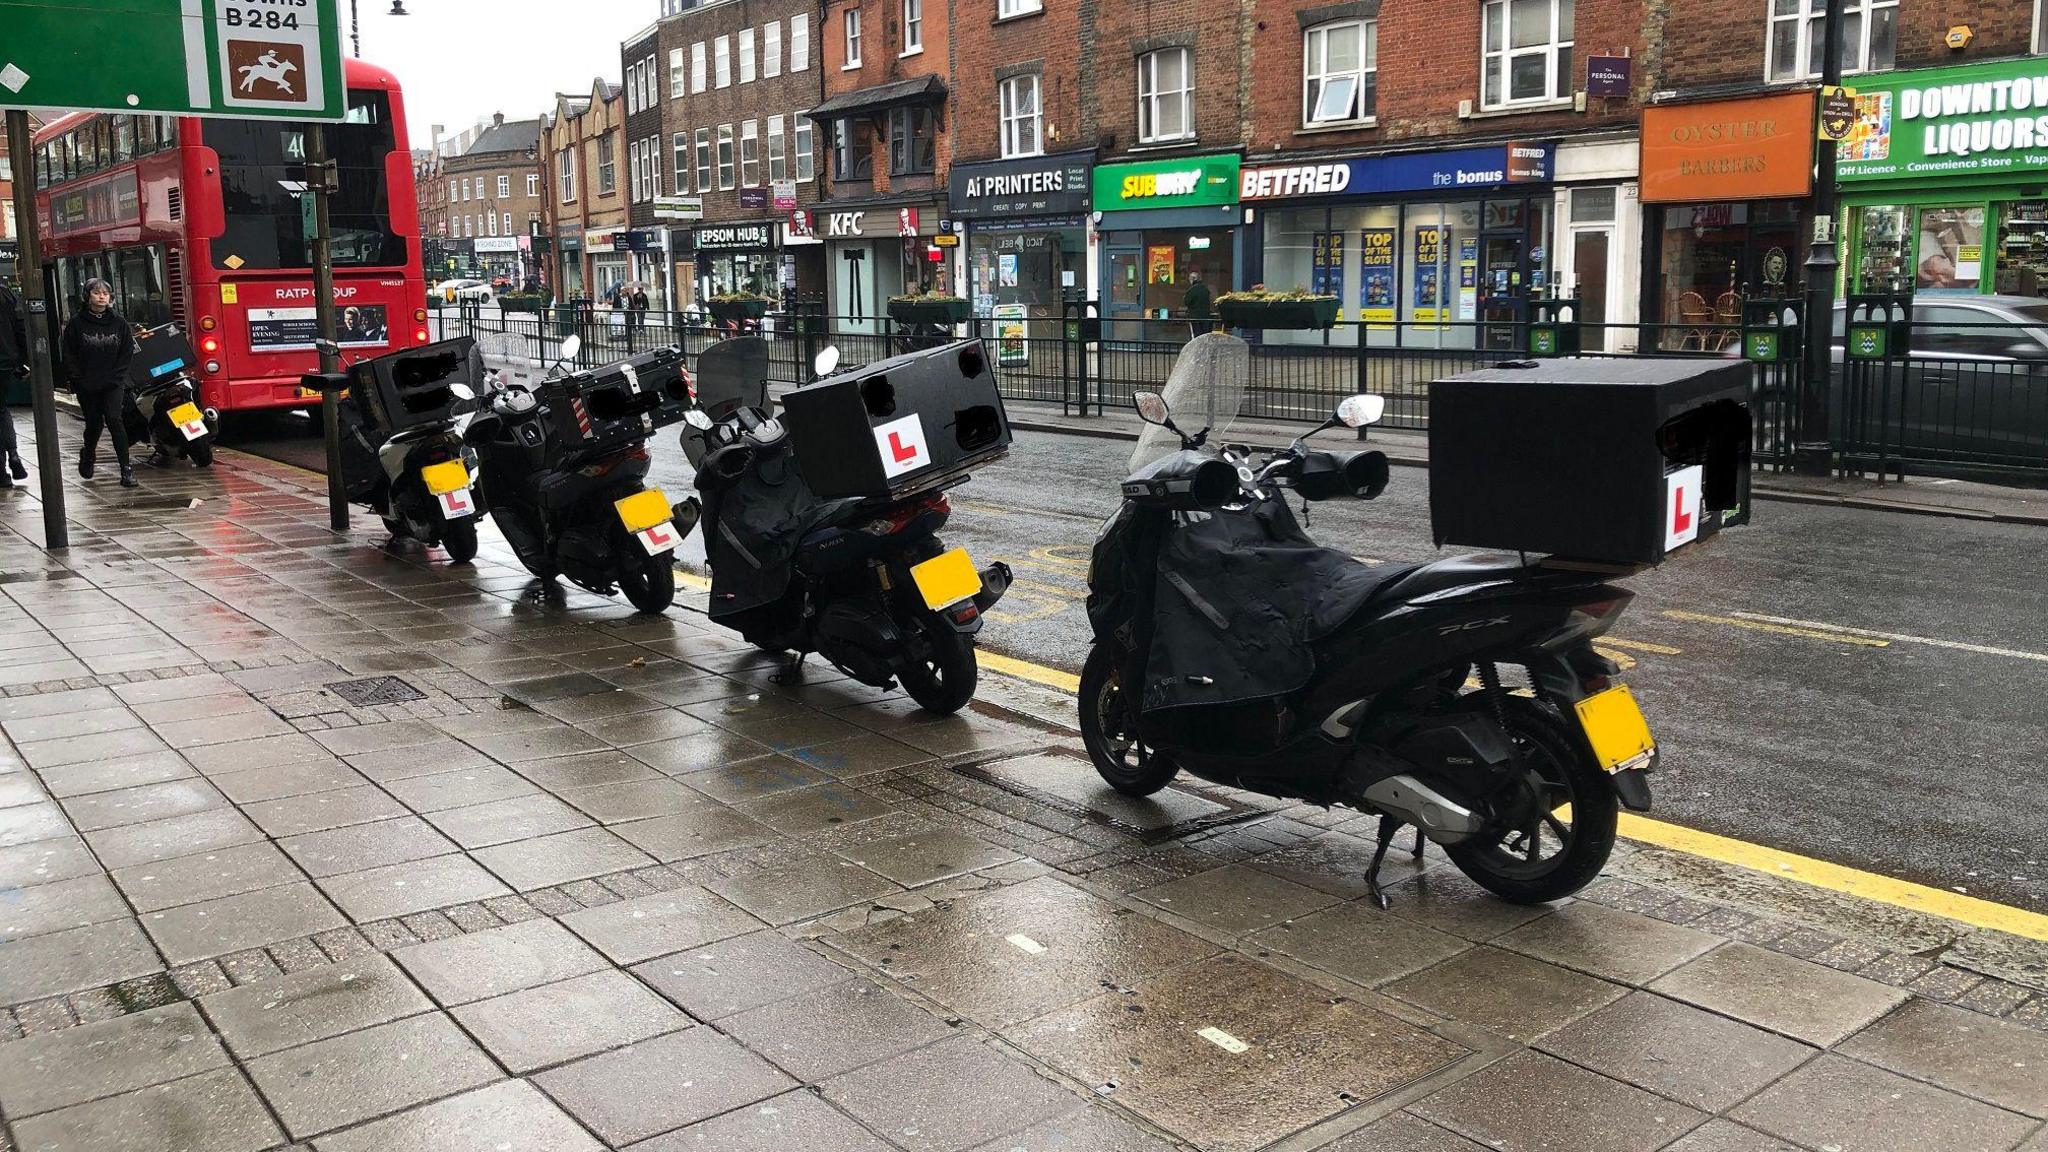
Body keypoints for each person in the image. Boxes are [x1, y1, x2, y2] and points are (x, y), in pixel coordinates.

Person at [62, 278, 138, 487]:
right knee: (94, 423)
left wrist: (118, 377)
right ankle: (88, 454)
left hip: (113, 382)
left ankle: (126, 469)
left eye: (105, 293)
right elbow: (69, 354)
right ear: (88, 297)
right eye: (96, 293)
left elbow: (127, 351)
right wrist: (77, 378)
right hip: (87, 383)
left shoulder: (119, 323)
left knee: (115, 420)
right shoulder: (76, 324)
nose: (101, 296)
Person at [0, 276, 29, 488]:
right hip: (6, 362)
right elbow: (21, 327)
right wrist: (24, 361)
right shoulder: (6, 294)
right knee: (1, 411)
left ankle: (1, 472)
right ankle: (14, 455)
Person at [1182, 267, 1214, 336]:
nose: (1189, 281)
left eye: (1190, 279)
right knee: (1204, 336)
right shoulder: (1205, 289)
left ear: (1193, 279)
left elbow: (1186, 302)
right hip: (1205, 316)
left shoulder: (1192, 290)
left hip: (1195, 317)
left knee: (1196, 336)